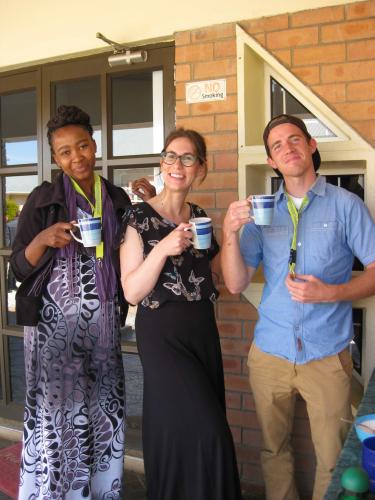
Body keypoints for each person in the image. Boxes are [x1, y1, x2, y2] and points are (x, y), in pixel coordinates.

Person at [221, 114, 375, 500]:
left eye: (294, 139)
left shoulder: (346, 205)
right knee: (274, 450)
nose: (286, 148)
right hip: (269, 352)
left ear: (311, 146)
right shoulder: (262, 211)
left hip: (326, 352)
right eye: (276, 145)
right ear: (272, 161)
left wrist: (331, 293)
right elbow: (237, 282)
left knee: (332, 457)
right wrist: (228, 233)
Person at [10, 105, 155, 499]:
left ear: (95, 145)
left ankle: (100, 491)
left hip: (103, 324)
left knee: (102, 413)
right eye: (65, 152)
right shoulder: (44, 199)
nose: (77, 158)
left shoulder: (115, 196)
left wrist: (149, 202)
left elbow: (143, 244)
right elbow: (18, 269)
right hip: (54, 331)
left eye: (83, 146)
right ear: (55, 158)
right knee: (61, 419)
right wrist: (43, 240)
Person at [120, 128, 242, 500]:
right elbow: (132, 291)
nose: (178, 164)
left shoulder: (200, 216)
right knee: (210, 432)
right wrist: (163, 249)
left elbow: (226, 277)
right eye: (171, 156)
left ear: (200, 169)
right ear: (162, 163)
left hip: (201, 330)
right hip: (162, 335)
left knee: (177, 429)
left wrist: (232, 231)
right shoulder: (138, 217)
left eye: (188, 158)